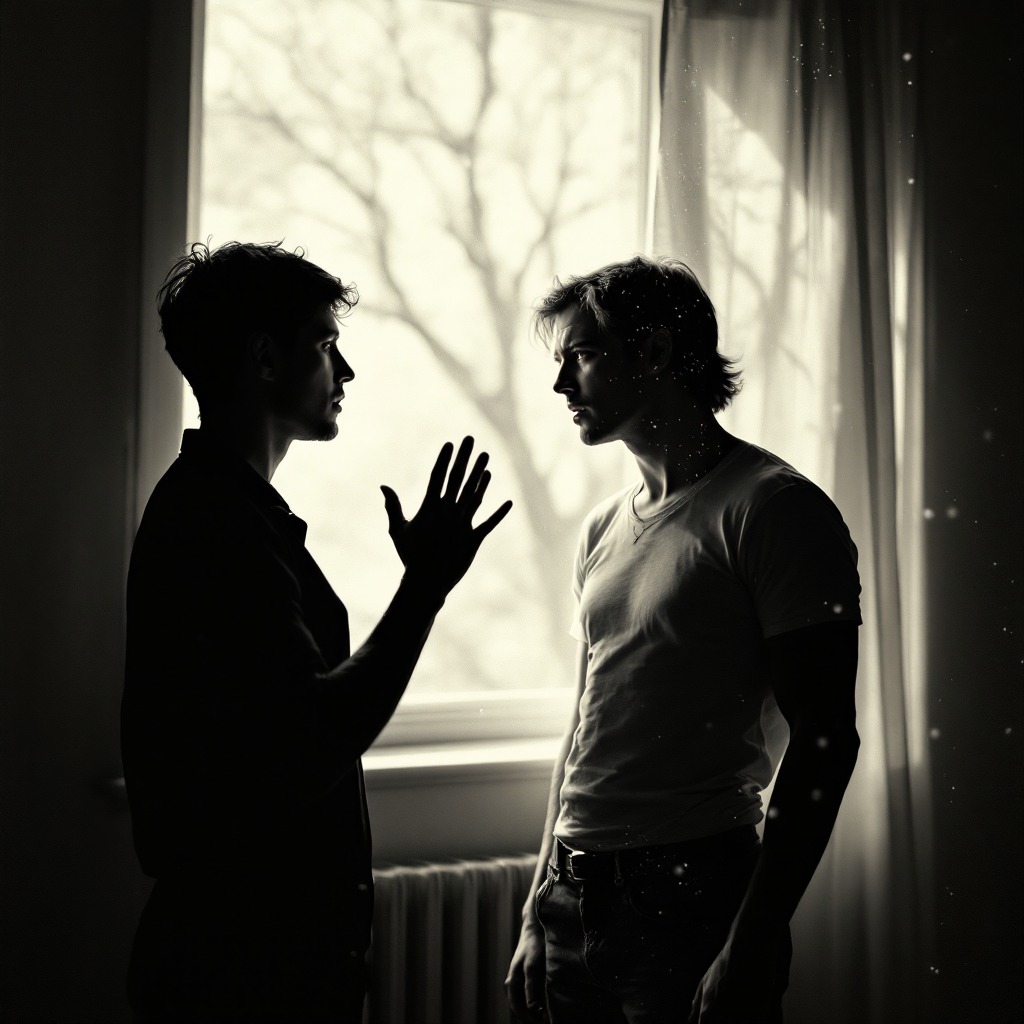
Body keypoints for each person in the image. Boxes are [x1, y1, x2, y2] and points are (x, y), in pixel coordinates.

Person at [120, 241, 511, 1022]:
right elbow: (311, 738)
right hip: (243, 972)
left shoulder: (221, 509)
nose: (347, 371)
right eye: (327, 344)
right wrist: (425, 589)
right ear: (266, 359)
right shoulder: (219, 525)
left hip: (245, 956)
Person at [506, 256, 862, 1024]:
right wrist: (540, 906)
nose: (561, 384)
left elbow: (827, 737)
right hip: (573, 891)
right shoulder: (602, 527)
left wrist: (753, 935)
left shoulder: (774, 509)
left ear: (657, 351)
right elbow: (585, 727)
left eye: (582, 354)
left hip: (692, 895)